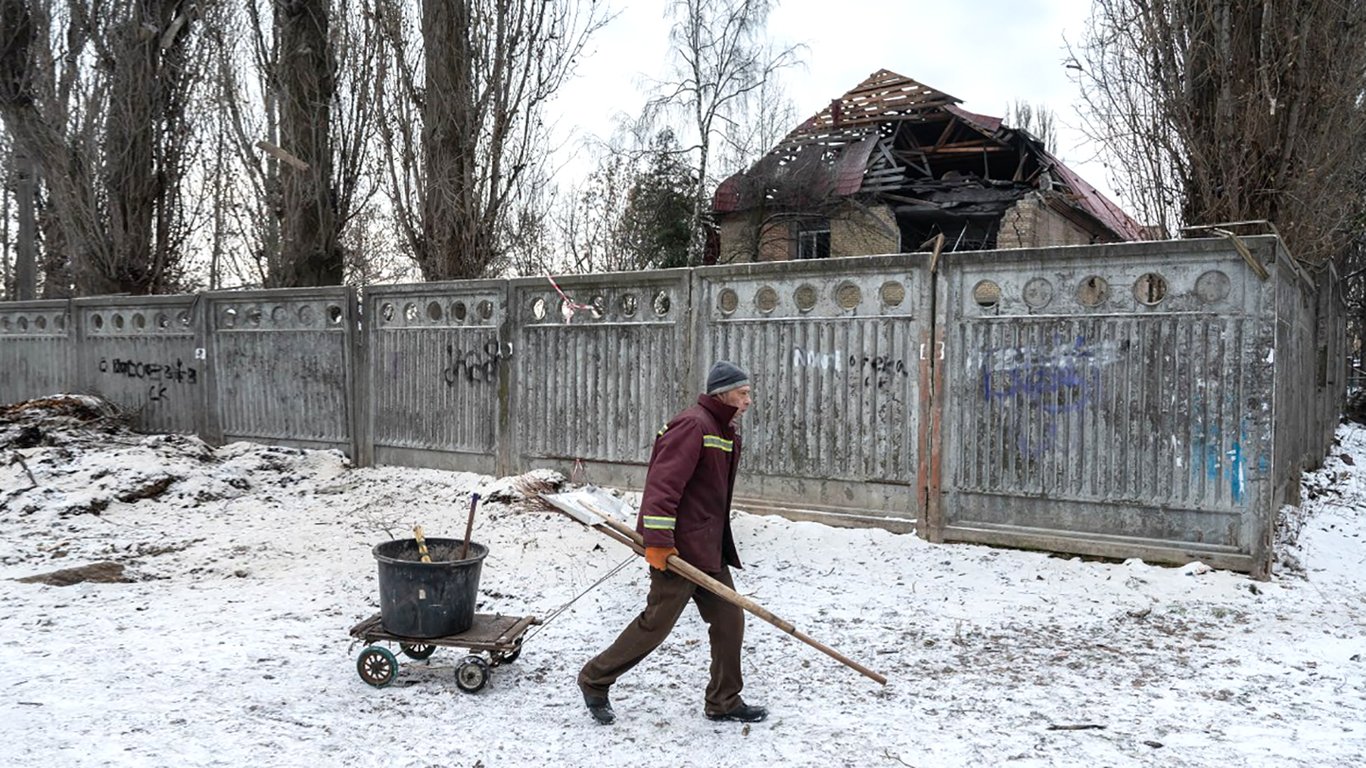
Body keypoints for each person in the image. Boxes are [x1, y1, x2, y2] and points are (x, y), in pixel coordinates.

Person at [577, 360, 766, 726]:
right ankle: (594, 679)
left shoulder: (721, 430)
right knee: (655, 626)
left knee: (730, 619)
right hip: (678, 552)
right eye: (743, 393)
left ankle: (724, 700)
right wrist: (659, 543)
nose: (748, 401)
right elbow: (663, 487)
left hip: (706, 550)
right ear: (722, 394)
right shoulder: (693, 426)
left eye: (748, 394)